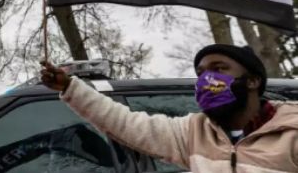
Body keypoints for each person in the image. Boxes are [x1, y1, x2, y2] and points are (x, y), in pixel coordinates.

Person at [40, 44, 298, 172]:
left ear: (253, 81)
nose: (207, 80)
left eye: (219, 69)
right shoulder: (193, 132)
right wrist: (70, 87)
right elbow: (126, 124)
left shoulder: (291, 132)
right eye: (200, 73)